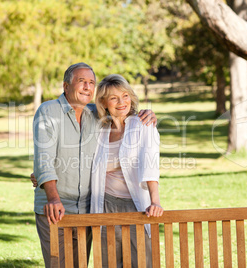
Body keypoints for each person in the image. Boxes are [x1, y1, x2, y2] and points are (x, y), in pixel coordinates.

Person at [32, 63, 157, 268]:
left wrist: (149, 115)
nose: (87, 87)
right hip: (57, 208)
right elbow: (44, 159)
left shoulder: (96, 114)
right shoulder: (49, 111)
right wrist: (51, 195)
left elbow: (121, 109)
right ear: (66, 86)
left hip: (88, 210)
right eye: (82, 82)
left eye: (91, 83)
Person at [91, 74, 163, 268]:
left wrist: (155, 202)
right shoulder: (100, 130)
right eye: (114, 98)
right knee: (108, 262)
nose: (121, 102)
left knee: (141, 262)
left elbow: (150, 163)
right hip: (105, 205)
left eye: (125, 95)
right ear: (104, 103)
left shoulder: (143, 124)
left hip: (135, 206)